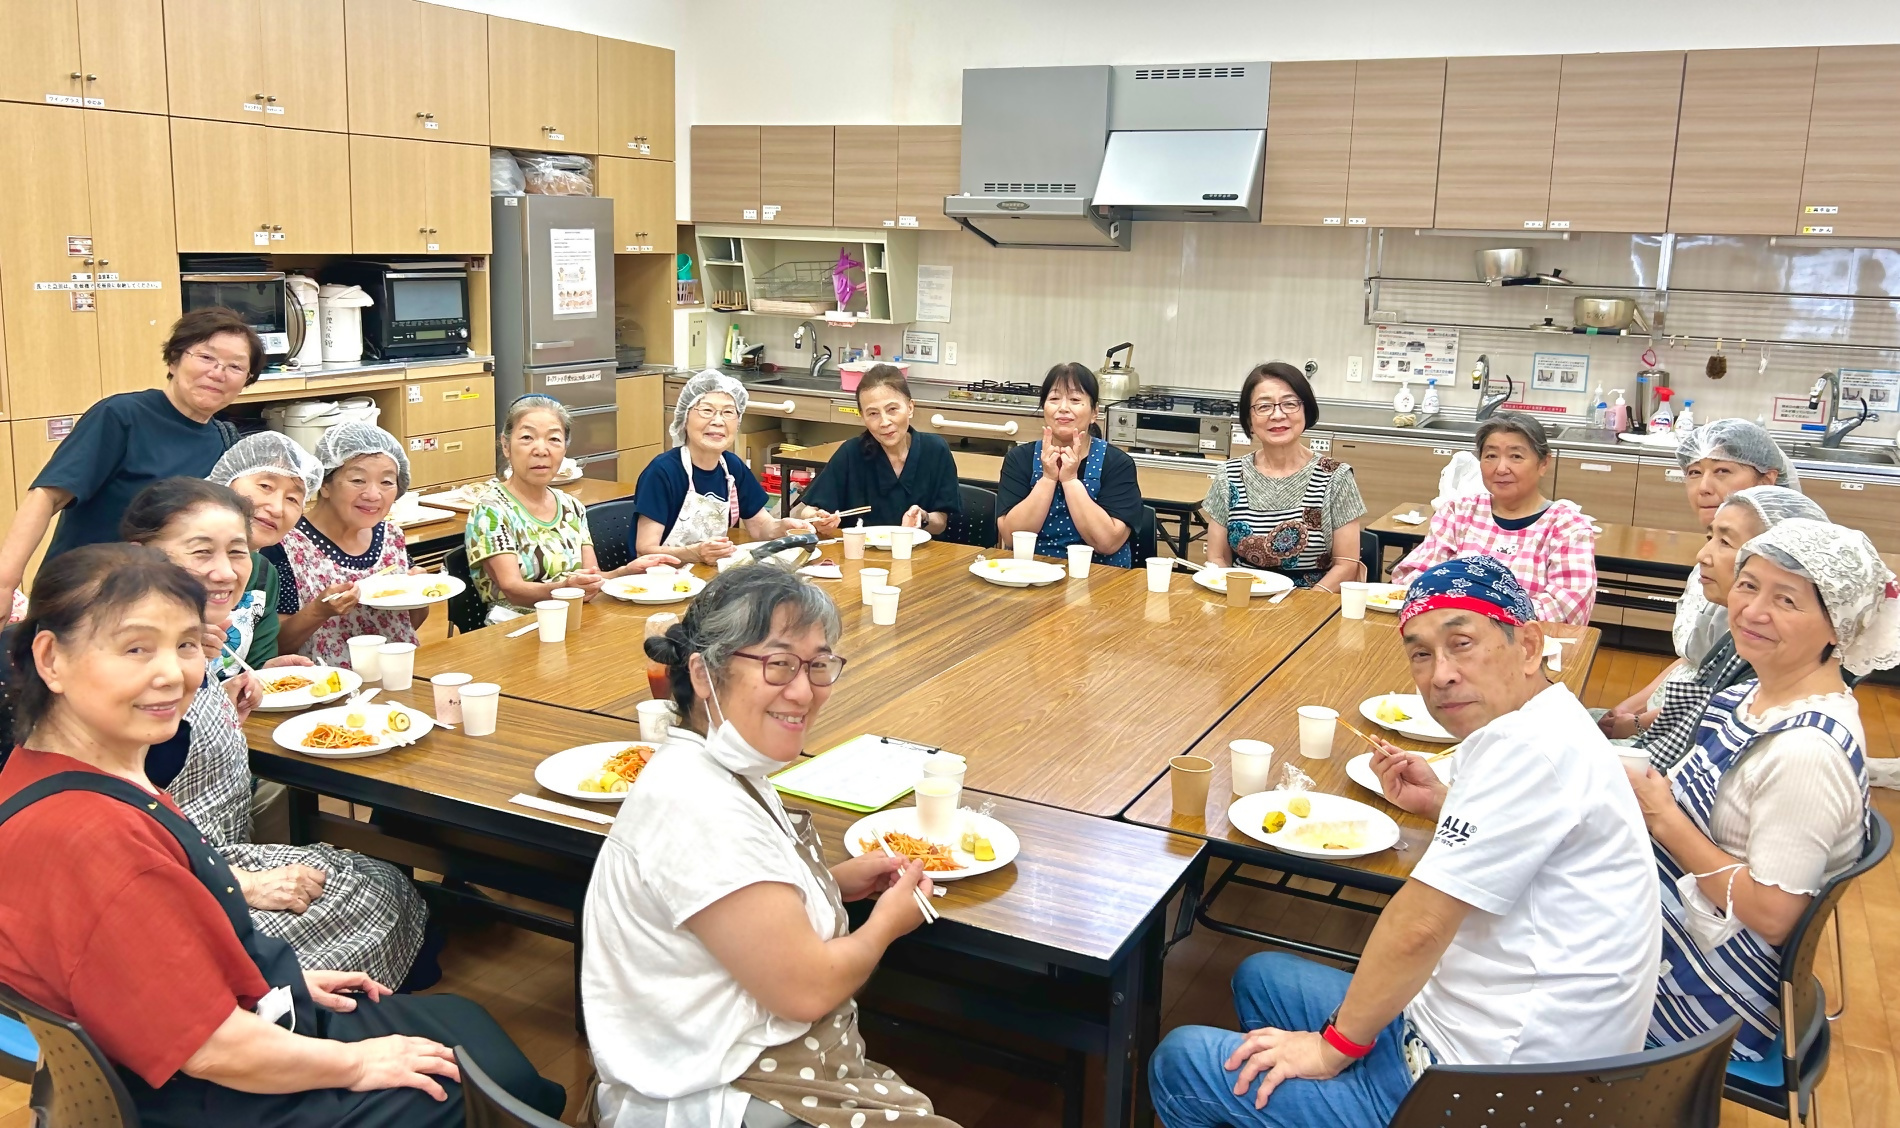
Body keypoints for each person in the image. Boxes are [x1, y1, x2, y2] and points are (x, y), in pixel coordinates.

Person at [0, 543, 565, 1126]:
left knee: (468, 1028)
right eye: (135, 648)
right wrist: (355, 1064)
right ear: (51, 659)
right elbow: (212, 1049)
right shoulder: (90, 835)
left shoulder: (50, 771)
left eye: (187, 644)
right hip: (200, 1089)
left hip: (208, 1034)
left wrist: (265, 980)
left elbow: (135, 961)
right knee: (490, 1092)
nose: (172, 674)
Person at [1149, 557, 1659, 1128]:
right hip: (1498, 1038)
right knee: (1260, 977)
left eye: (1461, 643)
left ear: (1529, 645)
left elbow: (1420, 927)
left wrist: (1332, 1050)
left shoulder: (1529, 751)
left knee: (1182, 1061)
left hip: (1492, 1090)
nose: (1440, 675)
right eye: (1421, 653)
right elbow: (1529, 834)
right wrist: (1444, 802)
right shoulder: (1549, 721)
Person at [582, 564, 957, 1128]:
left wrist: (830, 881)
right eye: (778, 664)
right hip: (714, 1090)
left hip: (740, 1056)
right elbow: (807, 990)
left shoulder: (714, 762)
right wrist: (886, 922)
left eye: (818, 665)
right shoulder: (697, 805)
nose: (803, 691)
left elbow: (730, 900)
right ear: (703, 673)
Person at [121, 480, 429, 988]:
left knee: (380, 880)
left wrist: (221, 697)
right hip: (166, 884)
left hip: (214, 854)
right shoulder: (131, 671)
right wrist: (241, 884)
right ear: (139, 555)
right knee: (379, 897)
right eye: (201, 552)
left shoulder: (197, 647)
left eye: (237, 551)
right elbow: (109, 829)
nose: (225, 572)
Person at [1637, 518, 1898, 1062]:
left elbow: (1773, 914)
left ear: (1838, 629)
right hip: (1669, 921)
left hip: (1707, 990)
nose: (1753, 611)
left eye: (1787, 600)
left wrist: (1663, 817)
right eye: (1749, 585)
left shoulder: (1807, 754)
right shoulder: (1752, 694)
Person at [0, 308, 259, 609]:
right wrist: (6, 584)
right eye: (206, 357)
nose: (218, 373)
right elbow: (47, 496)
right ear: (174, 359)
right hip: (86, 596)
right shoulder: (122, 416)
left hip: (163, 603)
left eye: (235, 366)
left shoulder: (225, 441)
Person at [1600, 419, 1800, 739]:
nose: (1704, 487)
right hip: (1669, 710)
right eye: (1694, 472)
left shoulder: (1767, 585)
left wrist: (1637, 723)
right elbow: (1694, 660)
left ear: (1768, 480)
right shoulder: (1711, 557)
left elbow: (1728, 700)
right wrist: (1631, 705)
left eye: (1722, 471)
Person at [1630, 486, 1828, 773]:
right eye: (1710, 538)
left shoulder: (1765, 651)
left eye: (1725, 541)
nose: (1702, 555)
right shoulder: (1738, 635)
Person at [468, 395, 678, 621]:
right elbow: (513, 590)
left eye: (554, 439)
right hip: (515, 625)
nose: (541, 450)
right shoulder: (490, 510)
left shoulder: (571, 506)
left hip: (575, 617)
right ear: (506, 445)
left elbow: (592, 578)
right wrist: (565, 588)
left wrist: (626, 572)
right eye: (527, 438)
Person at [1391, 412, 1597, 624]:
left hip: (1528, 641)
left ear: (1543, 463)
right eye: (1491, 456)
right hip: (1450, 635)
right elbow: (1412, 577)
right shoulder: (1458, 512)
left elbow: (1568, 609)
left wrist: (1478, 611)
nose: (1501, 468)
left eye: (1516, 456)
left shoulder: (1567, 527)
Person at [263, 424, 427, 667]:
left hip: (396, 674)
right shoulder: (286, 545)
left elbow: (405, 625)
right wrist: (319, 611)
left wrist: (419, 594)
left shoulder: (391, 536)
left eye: (386, 482)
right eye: (358, 480)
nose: (373, 495)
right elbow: (274, 647)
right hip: (322, 682)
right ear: (325, 484)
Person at [1203, 362, 1366, 590]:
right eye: (1264, 406)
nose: (1278, 415)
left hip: (1315, 600)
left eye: (1289, 404)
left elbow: (1347, 565)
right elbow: (1217, 558)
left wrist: (1305, 605)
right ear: (1249, 420)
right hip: (1243, 597)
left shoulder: (1336, 478)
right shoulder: (1228, 476)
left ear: (1306, 410)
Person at [633, 372, 815, 565]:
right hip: (661, 576)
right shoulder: (663, 472)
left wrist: (782, 527)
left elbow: (759, 525)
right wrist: (694, 553)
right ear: (685, 418)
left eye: (728, 412)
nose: (718, 421)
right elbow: (645, 550)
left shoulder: (732, 467)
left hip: (709, 571)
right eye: (706, 410)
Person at [996, 363, 1143, 566]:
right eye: (1054, 399)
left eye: (1075, 400)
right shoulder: (1019, 458)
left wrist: (1070, 480)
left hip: (1100, 577)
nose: (1063, 408)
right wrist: (1048, 478)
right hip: (1032, 571)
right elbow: (1012, 537)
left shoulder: (1117, 463)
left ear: (1094, 412)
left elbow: (1108, 542)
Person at [793, 365, 962, 535]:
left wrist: (923, 518)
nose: (884, 422)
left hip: (920, 549)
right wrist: (817, 518)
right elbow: (806, 510)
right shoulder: (851, 453)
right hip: (860, 549)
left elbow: (941, 522)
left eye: (892, 410)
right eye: (873, 414)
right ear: (862, 417)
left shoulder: (935, 450)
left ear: (910, 408)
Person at [209, 432, 326, 666]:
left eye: (292, 499)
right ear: (227, 481)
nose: (277, 508)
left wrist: (267, 671)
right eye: (265, 486)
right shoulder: (177, 559)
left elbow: (254, 664)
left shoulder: (264, 574)